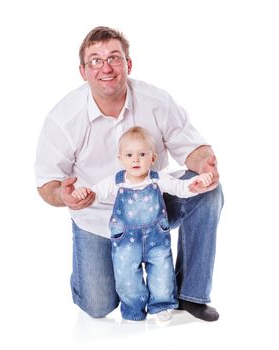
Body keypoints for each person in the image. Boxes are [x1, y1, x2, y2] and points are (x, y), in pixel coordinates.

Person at [35, 26, 224, 322]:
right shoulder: (63, 118)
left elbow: (193, 149)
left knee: (209, 191)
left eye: (115, 58)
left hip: (153, 207)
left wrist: (205, 165)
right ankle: (92, 268)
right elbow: (47, 183)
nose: (106, 67)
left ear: (128, 64)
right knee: (98, 306)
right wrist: (65, 195)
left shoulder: (156, 101)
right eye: (95, 60)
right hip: (96, 216)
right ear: (83, 71)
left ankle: (190, 294)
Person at [71, 126, 213, 322]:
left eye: (142, 154)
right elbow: (95, 195)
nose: (136, 159)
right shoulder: (116, 181)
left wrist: (197, 183)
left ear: (152, 158)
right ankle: (133, 310)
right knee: (127, 277)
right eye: (129, 155)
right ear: (120, 158)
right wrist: (84, 193)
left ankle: (161, 305)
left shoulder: (158, 178)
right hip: (126, 242)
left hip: (157, 238)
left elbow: (181, 188)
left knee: (162, 273)